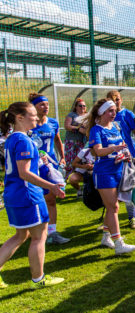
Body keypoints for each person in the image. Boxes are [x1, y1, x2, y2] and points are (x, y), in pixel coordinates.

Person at [0, 101, 65, 288]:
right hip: (28, 195)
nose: (36, 117)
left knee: (21, 236)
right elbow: (24, 173)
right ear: (20, 118)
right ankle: (39, 279)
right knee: (39, 237)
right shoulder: (23, 140)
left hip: (14, 194)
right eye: (32, 114)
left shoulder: (12, 138)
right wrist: (51, 186)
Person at [86, 98, 135, 255]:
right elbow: (98, 151)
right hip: (104, 173)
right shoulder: (97, 130)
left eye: (114, 110)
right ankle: (118, 244)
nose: (113, 113)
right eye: (110, 111)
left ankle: (106, 237)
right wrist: (114, 148)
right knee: (113, 207)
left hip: (118, 170)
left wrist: (125, 154)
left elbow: (122, 145)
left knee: (113, 206)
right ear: (101, 113)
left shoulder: (115, 126)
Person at [29, 93, 69, 244]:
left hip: (49, 166)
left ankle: (52, 233)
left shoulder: (53, 122)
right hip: (33, 167)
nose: (46, 107)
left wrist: (62, 157)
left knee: (51, 199)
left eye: (47, 104)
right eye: (41, 105)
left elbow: (58, 140)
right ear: (33, 107)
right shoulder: (29, 125)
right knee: (35, 199)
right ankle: (33, 231)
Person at [107, 90, 135, 229]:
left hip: (128, 156)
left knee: (129, 187)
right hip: (111, 158)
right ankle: (107, 222)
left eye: (117, 99)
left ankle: (132, 218)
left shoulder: (127, 114)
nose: (115, 102)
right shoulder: (105, 117)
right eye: (112, 100)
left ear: (121, 100)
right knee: (109, 189)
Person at [64, 98, 87, 183]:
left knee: (81, 161)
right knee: (70, 160)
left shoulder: (87, 116)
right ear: (76, 107)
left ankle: (79, 180)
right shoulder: (72, 115)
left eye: (84, 106)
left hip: (82, 142)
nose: (82, 107)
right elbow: (67, 126)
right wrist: (78, 128)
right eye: (80, 106)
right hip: (71, 141)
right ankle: (66, 179)